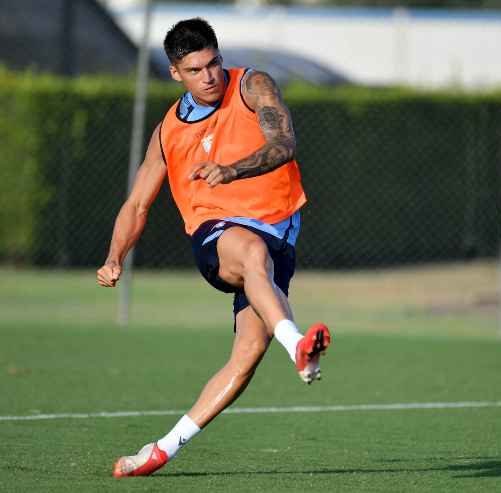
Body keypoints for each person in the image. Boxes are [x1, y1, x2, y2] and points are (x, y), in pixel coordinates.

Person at [96, 18, 331, 478]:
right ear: (175, 73)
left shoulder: (251, 87)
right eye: (196, 69)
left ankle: (162, 449)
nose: (210, 76)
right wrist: (113, 256)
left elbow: (284, 143)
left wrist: (232, 169)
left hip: (276, 238)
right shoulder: (168, 131)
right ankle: (298, 345)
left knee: (246, 355)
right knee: (250, 253)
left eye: (214, 62)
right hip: (217, 234)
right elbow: (137, 203)